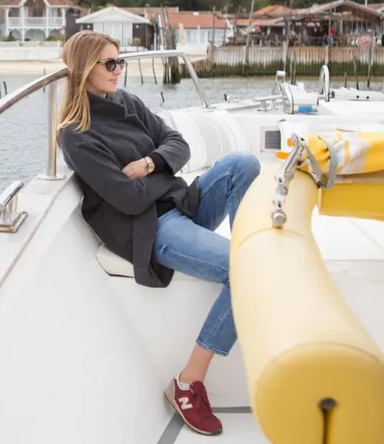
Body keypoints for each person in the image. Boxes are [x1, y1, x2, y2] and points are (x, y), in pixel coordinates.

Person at [56, 31, 260, 437]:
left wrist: (150, 164)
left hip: (177, 205)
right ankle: (187, 383)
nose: (118, 71)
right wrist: (164, 176)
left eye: (120, 62)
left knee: (243, 163)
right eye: (109, 64)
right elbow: (129, 201)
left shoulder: (126, 103)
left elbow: (178, 144)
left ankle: (250, 247)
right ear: (85, 69)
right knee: (246, 270)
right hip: (150, 229)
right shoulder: (76, 134)